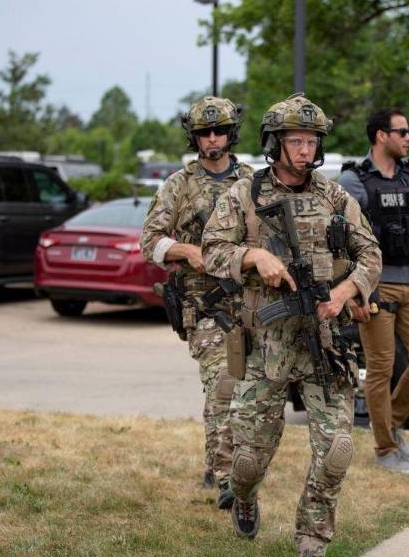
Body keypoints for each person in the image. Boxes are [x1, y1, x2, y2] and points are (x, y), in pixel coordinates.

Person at [202, 93, 381, 556]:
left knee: (337, 449)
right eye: (296, 141)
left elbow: (370, 254)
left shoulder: (333, 195)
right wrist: (254, 255)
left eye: (312, 141)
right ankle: (243, 497)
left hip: (323, 342)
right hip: (264, 344)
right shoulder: (244, 195)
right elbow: (213, 251)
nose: (305, 150)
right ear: (275, 144)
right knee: (247, 461)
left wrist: (345, 292)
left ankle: (312, 535)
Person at [140, 95, 254, 509]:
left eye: (220, 130)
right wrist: (186, 252)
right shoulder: (179, 184)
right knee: (223, 385)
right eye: (205, 132)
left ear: (231, 132)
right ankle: (226, 480)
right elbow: (148, 242)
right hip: (205, 306)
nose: (213, 138)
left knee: (252, 392)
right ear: (194, 137)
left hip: (251, 302)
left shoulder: (250, 180)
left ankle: (236, 465)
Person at [339, 107, 409, 474]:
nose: (408, 138)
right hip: (376, 287)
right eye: (402, 132)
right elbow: (341, 241)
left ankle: (392, 424)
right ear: (381, 136)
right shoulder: (354, 181)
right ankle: (385, 450)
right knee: (381, 369)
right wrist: (353, 291)